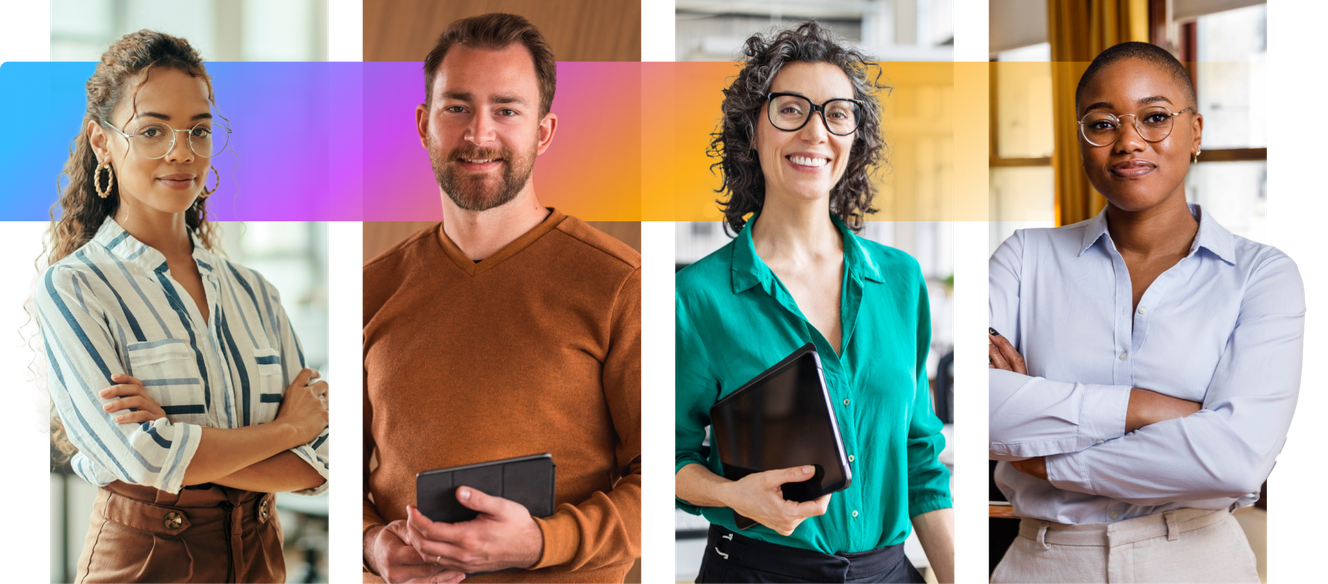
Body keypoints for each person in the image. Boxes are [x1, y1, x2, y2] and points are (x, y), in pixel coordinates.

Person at [986, 41, 1303, 583]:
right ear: (1082, 139)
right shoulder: (1024, 259)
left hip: (1197, 562)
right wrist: (1150, 409)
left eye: (1155, 117)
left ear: (1196, 131)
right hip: (1045, 563)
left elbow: (1234, 460)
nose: (1129, 141)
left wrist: (1048, 459)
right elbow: (981, 411)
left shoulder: (1262, 275)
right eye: (1102, 123)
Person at [20, 30, 330, 584]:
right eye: (152, 130)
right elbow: (142, 460)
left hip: (261, 557)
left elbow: (323, 462)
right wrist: (286, 430)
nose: (181, 151)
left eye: (199, 131)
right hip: (146, 563)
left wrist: (181, 446)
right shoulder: (74, 288)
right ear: (102, 142)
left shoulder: (256, 292)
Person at [357, 13, 643, 584]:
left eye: (506, 110)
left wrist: (540, 541)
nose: (478, 134)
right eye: (456, 107)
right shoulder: (368, 290)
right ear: (423, 123)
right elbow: (337, 469)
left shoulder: (620, 282)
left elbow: (663, 482)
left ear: (544, 131)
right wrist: (369, 548)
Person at [673, 22, 957, 584]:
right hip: (756, 572)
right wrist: (735, 495)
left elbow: (920, 457)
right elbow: (663, 459)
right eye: (790, 109)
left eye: (836, 114)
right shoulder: (698, 297)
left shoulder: (900, 281)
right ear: (751, 131)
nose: (815, 132)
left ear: (854, 138)